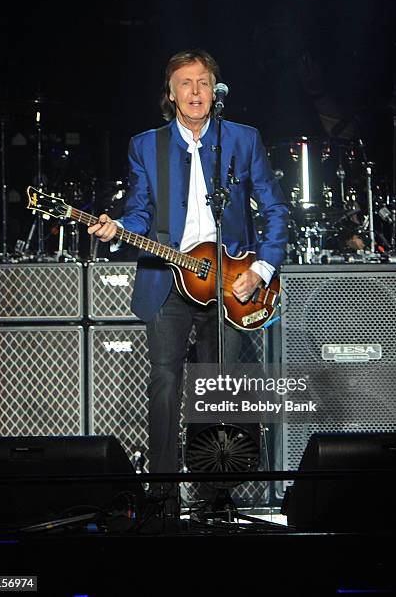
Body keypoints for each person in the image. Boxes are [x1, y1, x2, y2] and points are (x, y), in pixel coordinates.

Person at [88, 49, 289, 508]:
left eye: (203, 82)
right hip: (168, 279)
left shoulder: (242, 139)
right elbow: (139, 212)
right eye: (185, 83)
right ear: (170, 94)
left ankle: (214, 494)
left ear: (215, 91)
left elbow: (276, 211)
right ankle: (161, 495)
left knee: (217, 386)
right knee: (165, 383)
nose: (194, 91)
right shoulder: (147, 145)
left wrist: (260, 270)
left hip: (230, 282)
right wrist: (117, 229)